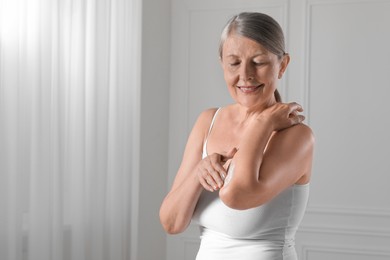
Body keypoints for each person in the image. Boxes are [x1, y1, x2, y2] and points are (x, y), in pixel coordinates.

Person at [159, 12, 314, 260]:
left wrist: (262, 123)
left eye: (259, 62)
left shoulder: (298, 137)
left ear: (282, 65)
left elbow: (237, 195)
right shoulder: (208, 121)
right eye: (234, 63)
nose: (245, 74)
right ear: (222, 64)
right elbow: (172, 222)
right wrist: (200, 172)